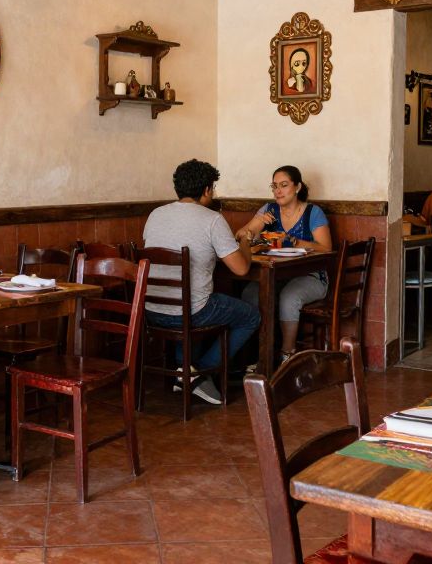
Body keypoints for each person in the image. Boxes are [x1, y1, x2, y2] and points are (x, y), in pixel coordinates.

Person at [142, 159, 260, 404]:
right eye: (213, 188)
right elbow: (240, 268)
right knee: (250, 316)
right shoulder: (212, 219)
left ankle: (183, 370)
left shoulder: (155, 215)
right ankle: (200, 373)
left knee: (196, 304)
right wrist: (246, 242)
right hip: (190, 313)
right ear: (207, 190)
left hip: (151, 311)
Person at [234, 166, 332, 364]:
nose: (278, 191)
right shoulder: (267, 210)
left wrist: (294, 241)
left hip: (311, 276)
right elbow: (239, 235)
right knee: (250, 294)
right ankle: (261, 354)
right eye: (274, 186)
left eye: (284, 185)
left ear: (297, 187)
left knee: (289, 297)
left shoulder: (313, 212)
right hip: (275, 275)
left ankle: (287, 355)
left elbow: (326, 248)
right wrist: (258, 224)